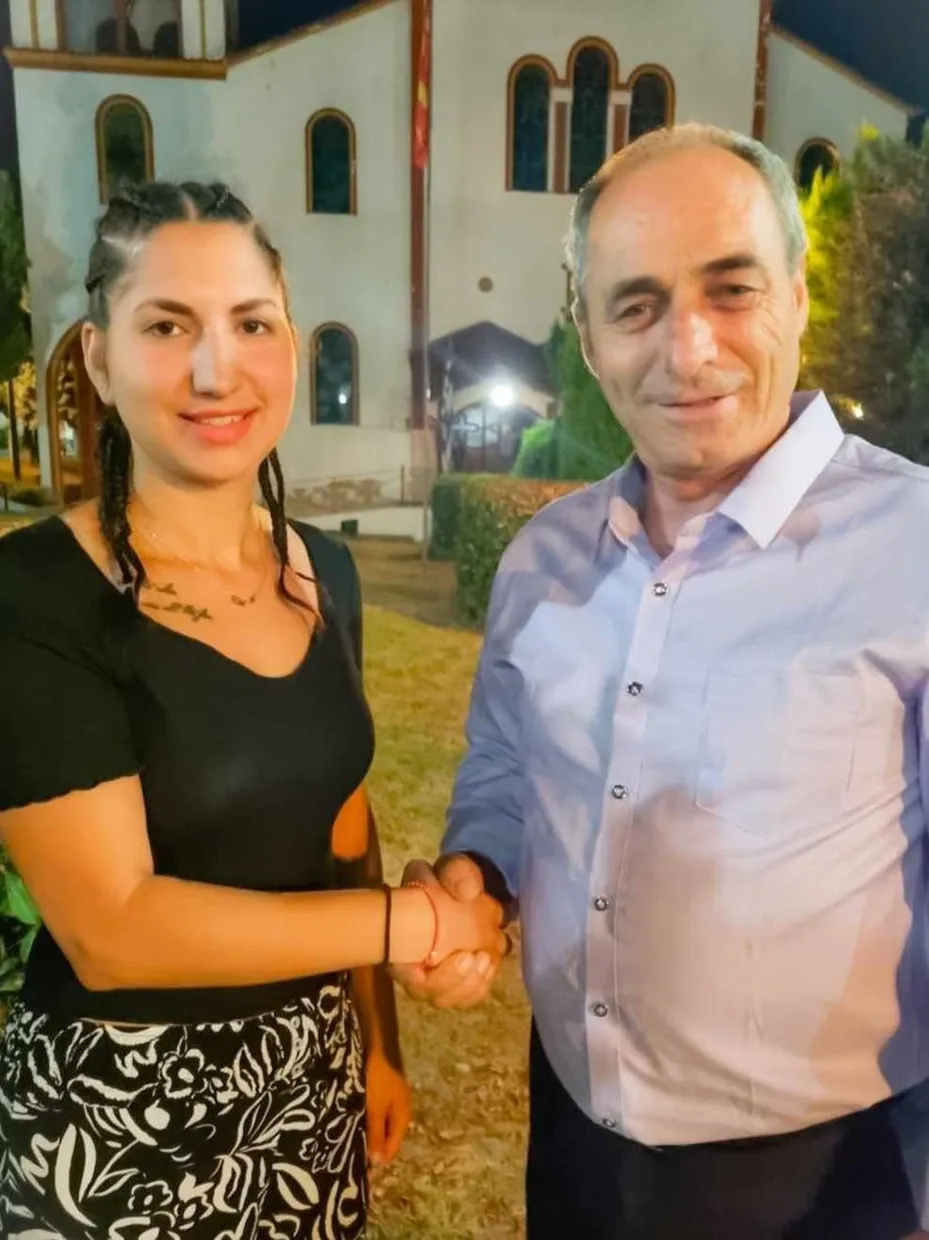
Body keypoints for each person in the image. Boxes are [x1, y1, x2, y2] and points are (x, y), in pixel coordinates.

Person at [393, 125, 929, 1238]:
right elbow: (504, 771)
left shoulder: (912, 548)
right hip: (576, 1150)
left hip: (830, 1185)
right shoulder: (543, 561)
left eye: (730, 290)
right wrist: (475, 880)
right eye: (634, 305)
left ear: (794, 295)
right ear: (585, 336)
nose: (686, 349)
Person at [0, 181, 505, 1240]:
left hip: (307, 1091)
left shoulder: (323, 571)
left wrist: (378, 1041)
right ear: (98, 358)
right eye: (165, 325)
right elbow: (113, 929)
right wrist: (419, 924)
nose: (215, 369)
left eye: (252, 323)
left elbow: (343, 823)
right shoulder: (36, 595)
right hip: (118, 1121)